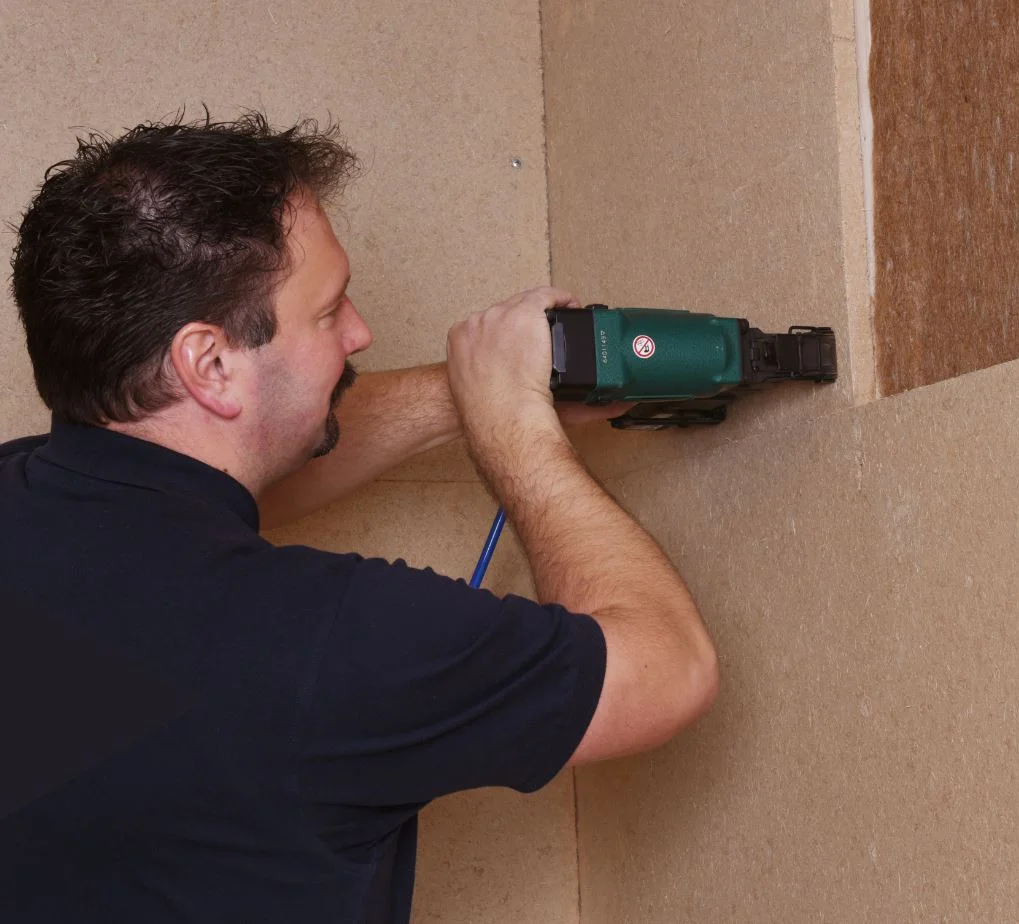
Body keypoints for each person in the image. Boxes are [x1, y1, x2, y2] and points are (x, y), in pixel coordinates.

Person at [0, 111, 718, 923]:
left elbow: (234, 478)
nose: (361, 331)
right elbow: (665, 672)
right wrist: (514, 428)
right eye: (329, 309)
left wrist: (471, 390)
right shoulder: (323, 642)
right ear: (209, 363)